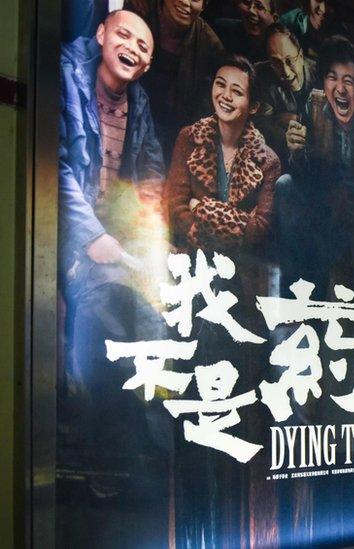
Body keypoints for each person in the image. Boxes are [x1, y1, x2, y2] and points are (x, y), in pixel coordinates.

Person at [59, 7, 168, 498]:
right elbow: (54, 169)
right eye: (124, 35)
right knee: (107, 316)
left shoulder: (138, 103)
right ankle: (108, 457)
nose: (132, 48)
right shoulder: (66, 77)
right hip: (66, 236)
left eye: (143, 47)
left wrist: (146, 234)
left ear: (146, 65)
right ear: (101, 33)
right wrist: (93, 239)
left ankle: (141, 443)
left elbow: (151, 175)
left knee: (159, 305)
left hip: (118, 242)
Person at [276, 39, 354, 303]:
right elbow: (303, 174)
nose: (339, 89)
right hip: (321, 207)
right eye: (332, 78)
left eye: (348, 81)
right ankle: (293, 300)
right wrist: (295, 152)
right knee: (285, 185)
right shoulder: (313, 105)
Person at [166, 53, 280, 297]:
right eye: (220, 84)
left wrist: (200, 210)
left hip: (241, 275)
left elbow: (260, 231)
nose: (225, 96)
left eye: (237, 91)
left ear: (254, 106)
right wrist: (236, 223)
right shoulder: (188, 138)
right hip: (192, 265)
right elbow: (176, 208)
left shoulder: (268, 161)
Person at [125, 0, 225, 160]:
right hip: (125, 121)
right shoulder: (138, 12)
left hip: (174, 141)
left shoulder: (211, 46)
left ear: (205, 5)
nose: (186, 3)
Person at [253, 23, 316, 162]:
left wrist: (298, 119)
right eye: (276, 62)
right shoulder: (262, 75)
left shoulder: (320, 74)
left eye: (289, 60)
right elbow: (262, 125)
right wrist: (284, 138)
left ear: (300, 55)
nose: (286, 72)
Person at [212, 0, 279, 63]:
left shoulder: (282, 44)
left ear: (274, 18)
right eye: (247, 2)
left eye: (259, 6)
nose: (251, 11)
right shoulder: (223, 30)